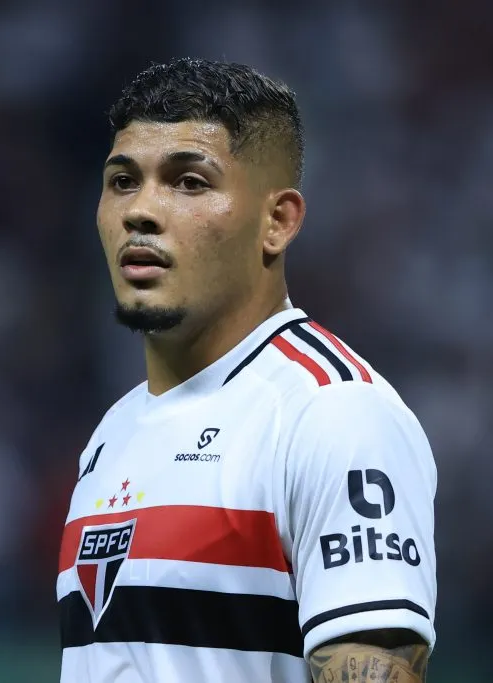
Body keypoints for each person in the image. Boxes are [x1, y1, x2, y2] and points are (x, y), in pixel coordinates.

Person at [57, 58, 437, 683]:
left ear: (277, 221)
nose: (140, 211)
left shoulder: (332, 412)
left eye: (188, 182)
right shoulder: (113, 432)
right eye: (123, 180)